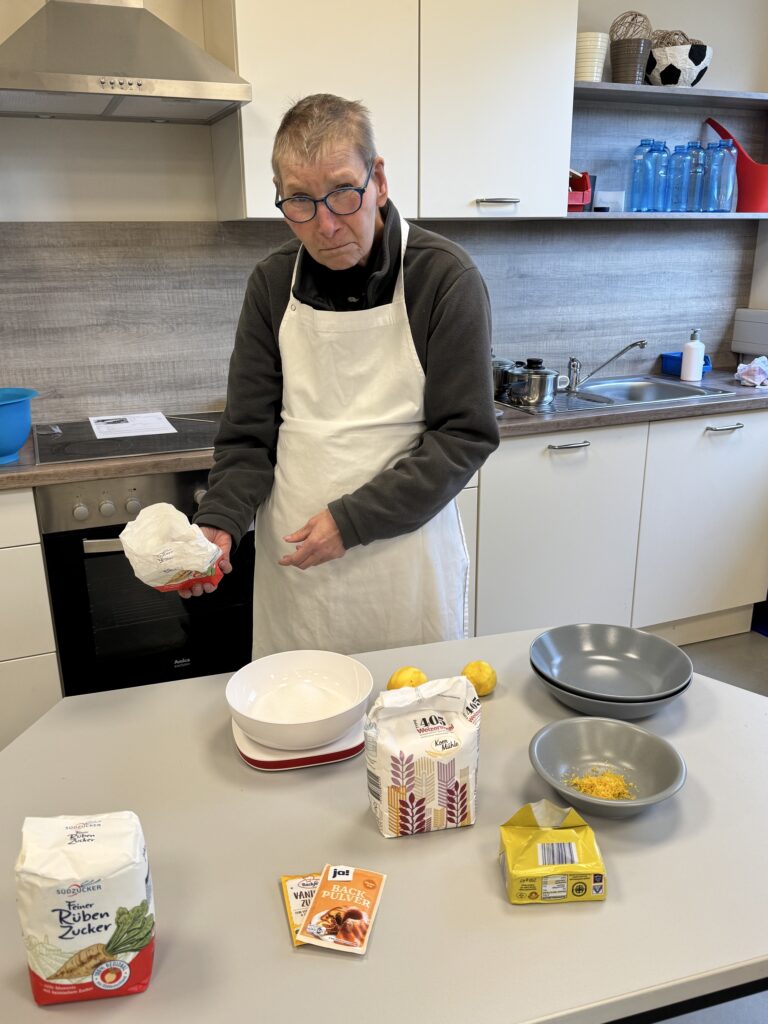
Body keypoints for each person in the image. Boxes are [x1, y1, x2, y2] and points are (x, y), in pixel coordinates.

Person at [188, 93, 499, 658]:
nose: (326, 225)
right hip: (299, 567)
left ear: (377, 179)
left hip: (403, 565)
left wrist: (350, 521)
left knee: (410, 705)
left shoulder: (444, 278)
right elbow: (248, 436)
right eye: (301, 202)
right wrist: (221, 521)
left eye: (342, 193)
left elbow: (463, 436)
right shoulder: (271, 284)